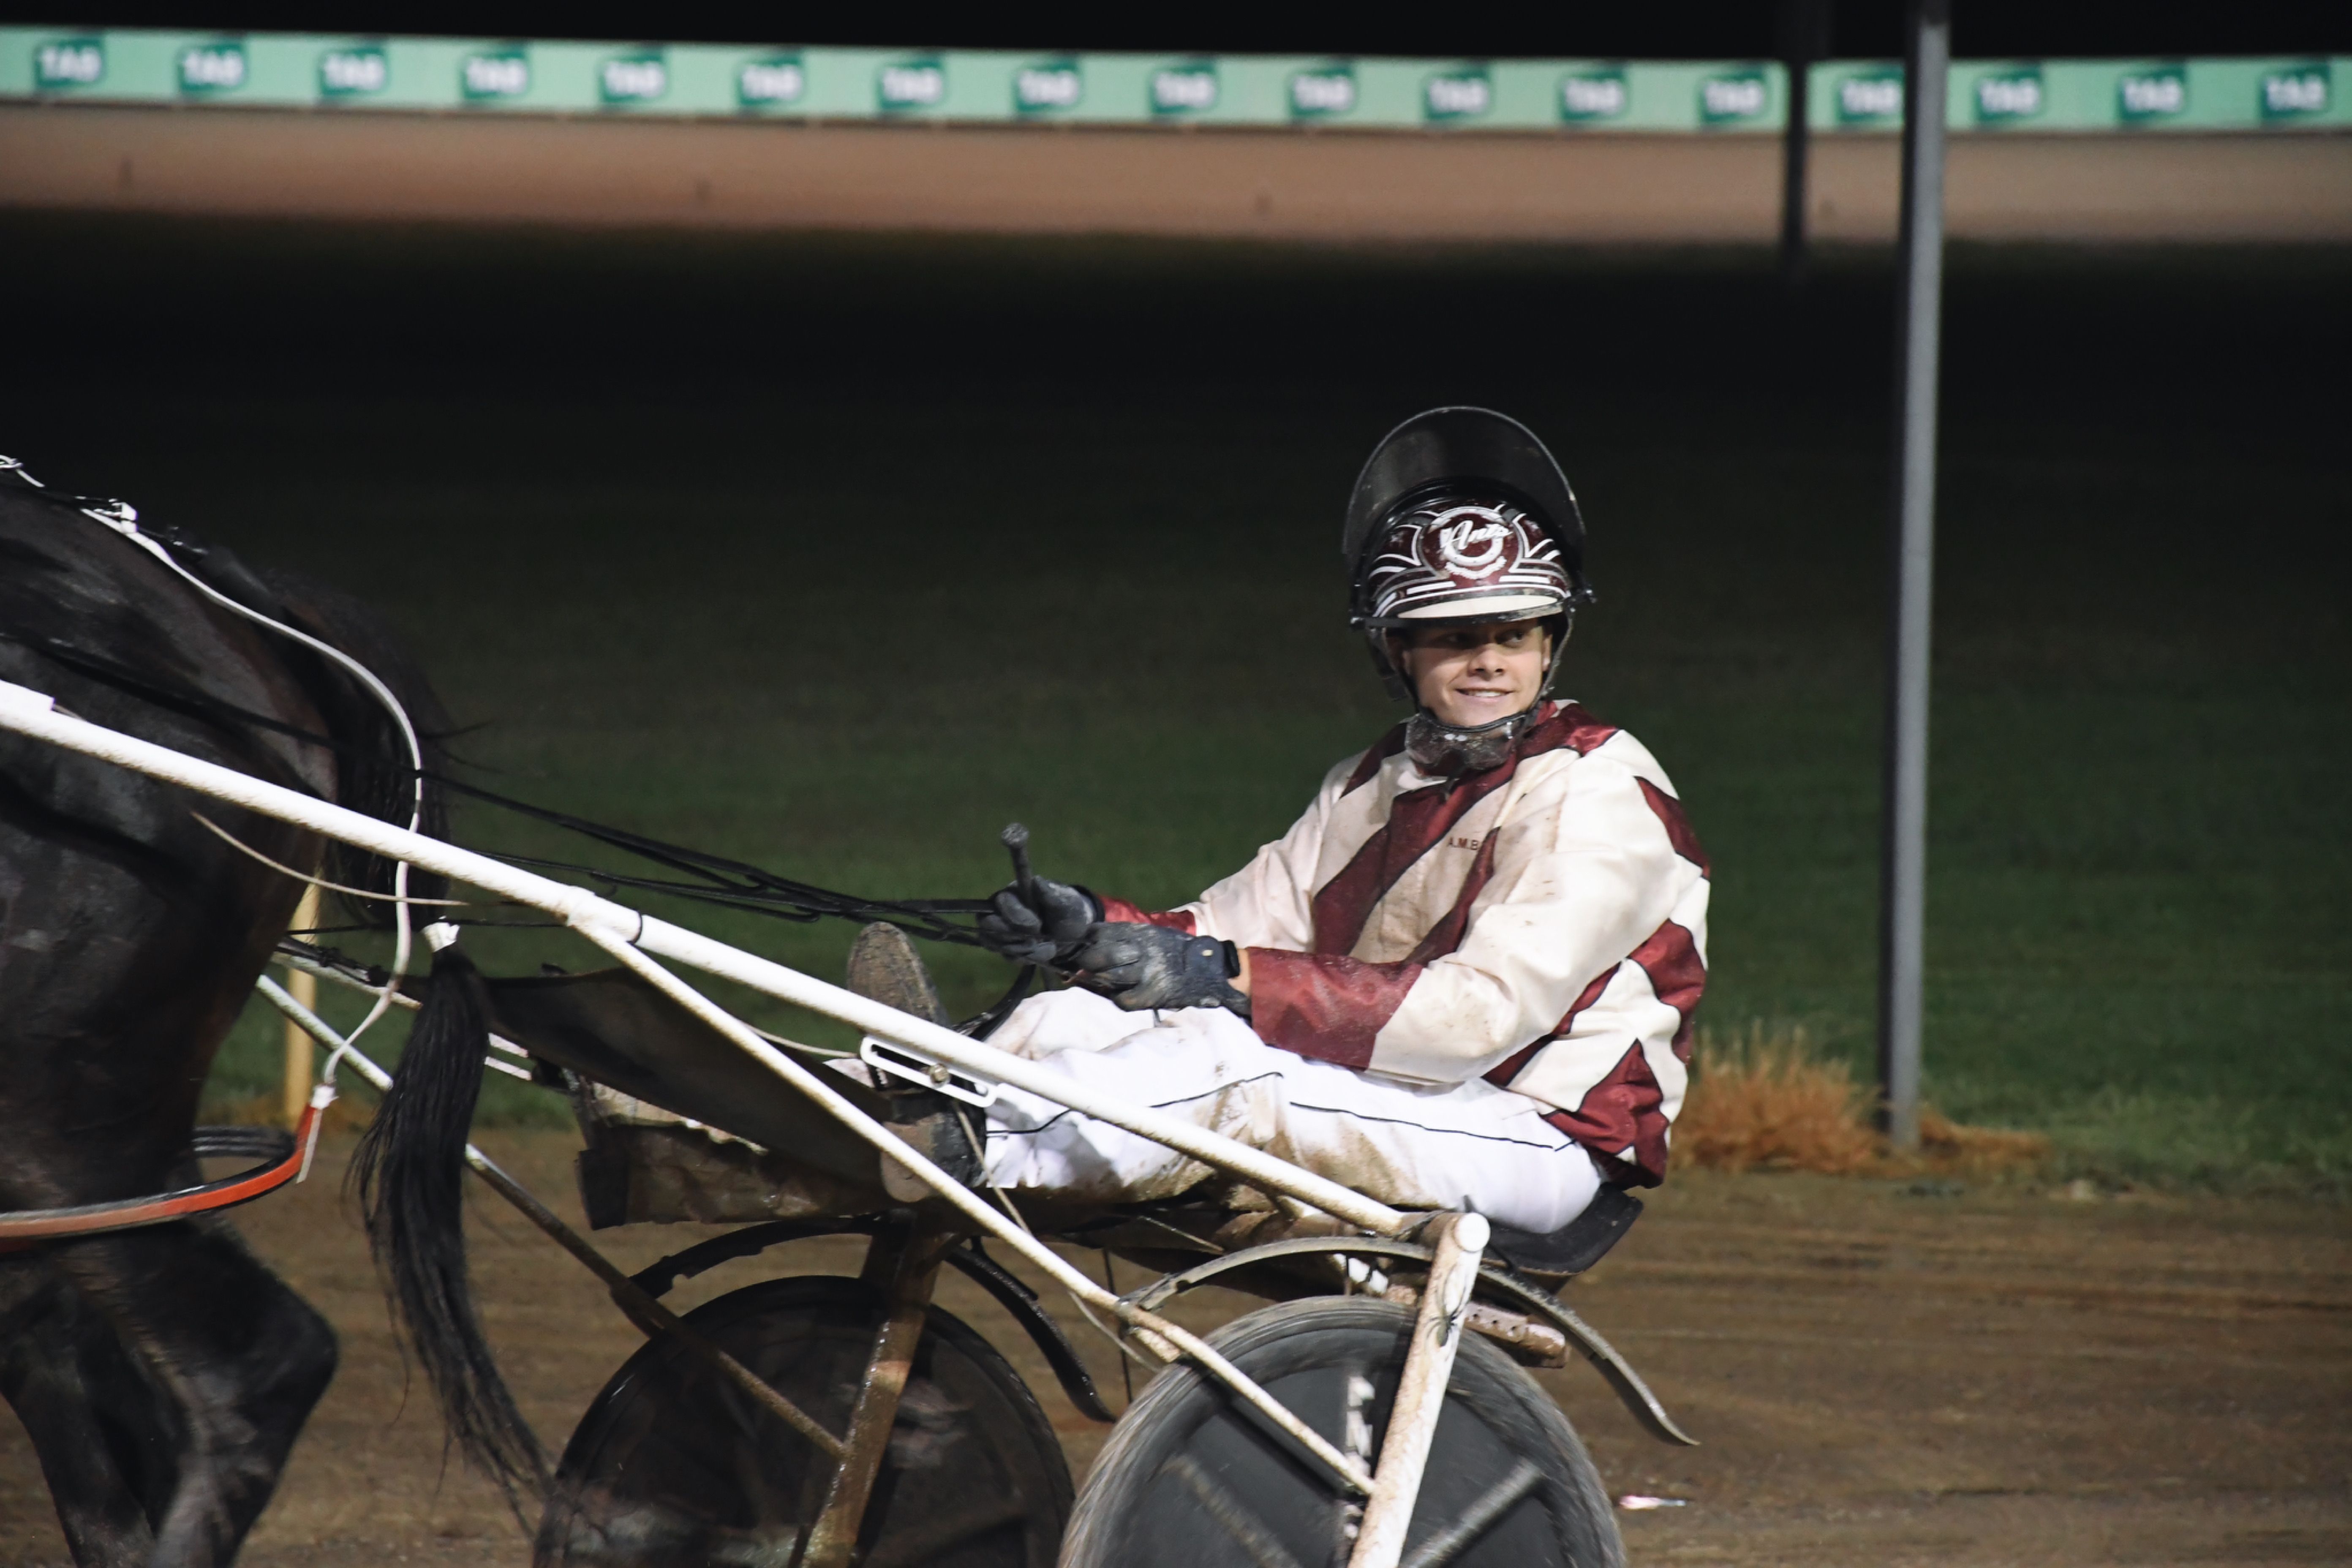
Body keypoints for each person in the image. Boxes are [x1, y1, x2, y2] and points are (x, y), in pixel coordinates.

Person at [970, 407, 1709, 1236]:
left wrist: (1221, 972)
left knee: (1232, 1074)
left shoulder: (1597, 787)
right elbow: (1224, 934)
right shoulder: (1375, 782)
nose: (1492, 662)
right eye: (1457, 638)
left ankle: (971, 1152)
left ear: (1551, 645)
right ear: (1399, 650)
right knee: (1068, 1017)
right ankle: (899, 1093)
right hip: (1423, 1095)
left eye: (1516, 634)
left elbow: (1478, 1017)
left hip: (1541, 1130)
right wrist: (1090, 928)